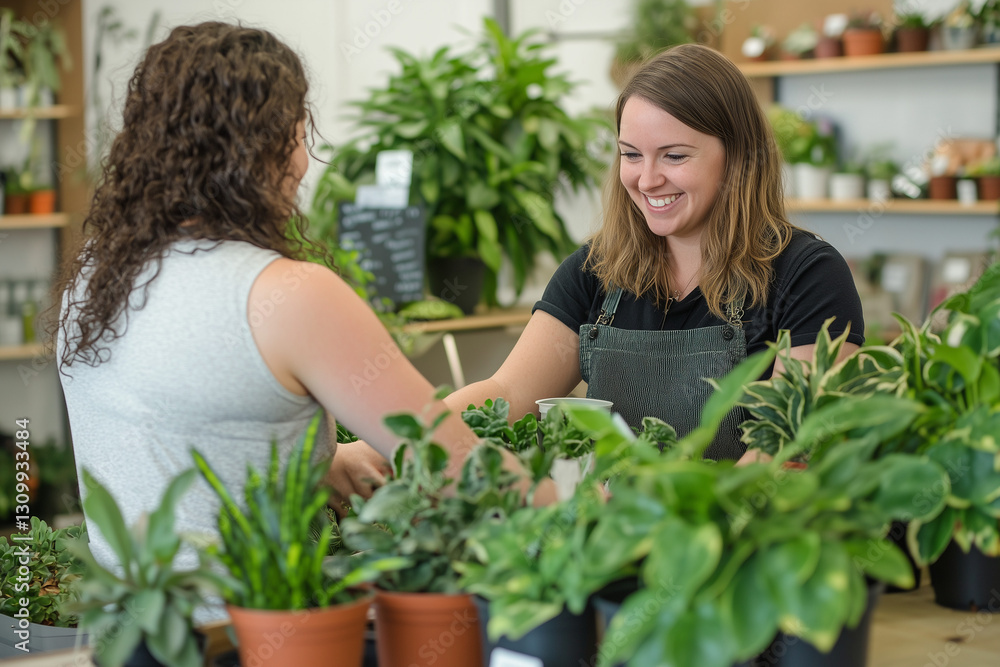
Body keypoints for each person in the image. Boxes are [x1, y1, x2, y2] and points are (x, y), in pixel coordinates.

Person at [54, 22, 540, 580]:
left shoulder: (95, 275)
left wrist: (320, 463)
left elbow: (179, 441)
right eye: (298, 132)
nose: (304, 160)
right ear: (270, 149)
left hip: (126, 634)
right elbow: (457, 463)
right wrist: (588, 508)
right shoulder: (289, 294)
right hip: (256, 638)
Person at [328, 42, 864, 495]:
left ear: (738, 155)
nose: (647, 179)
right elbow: (509, 394)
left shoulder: (806, 276)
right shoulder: (596, 272)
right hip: (611, 550)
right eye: (631, 154)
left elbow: (788, 442)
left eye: (674, 156)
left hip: (736, 561)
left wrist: (687, 526)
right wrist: (391, 445)